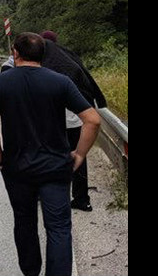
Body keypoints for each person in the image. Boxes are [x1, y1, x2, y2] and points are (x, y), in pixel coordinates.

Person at [0, 32, 101, 276]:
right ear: (43, 54)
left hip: (17, 169)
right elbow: (92, 120)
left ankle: (30, 272)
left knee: (24, 223)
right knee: (58, 227)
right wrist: (78, 155)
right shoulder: (60, 81)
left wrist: (0, 159)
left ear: (15, 53)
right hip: (56, 167)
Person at [39, 30, 108, 212]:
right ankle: (81, 199)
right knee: (79, 156)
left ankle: (50, 197)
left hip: (55, 121)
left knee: (51, 156)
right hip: (77, 119)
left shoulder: (42, 61)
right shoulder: (69, 58)